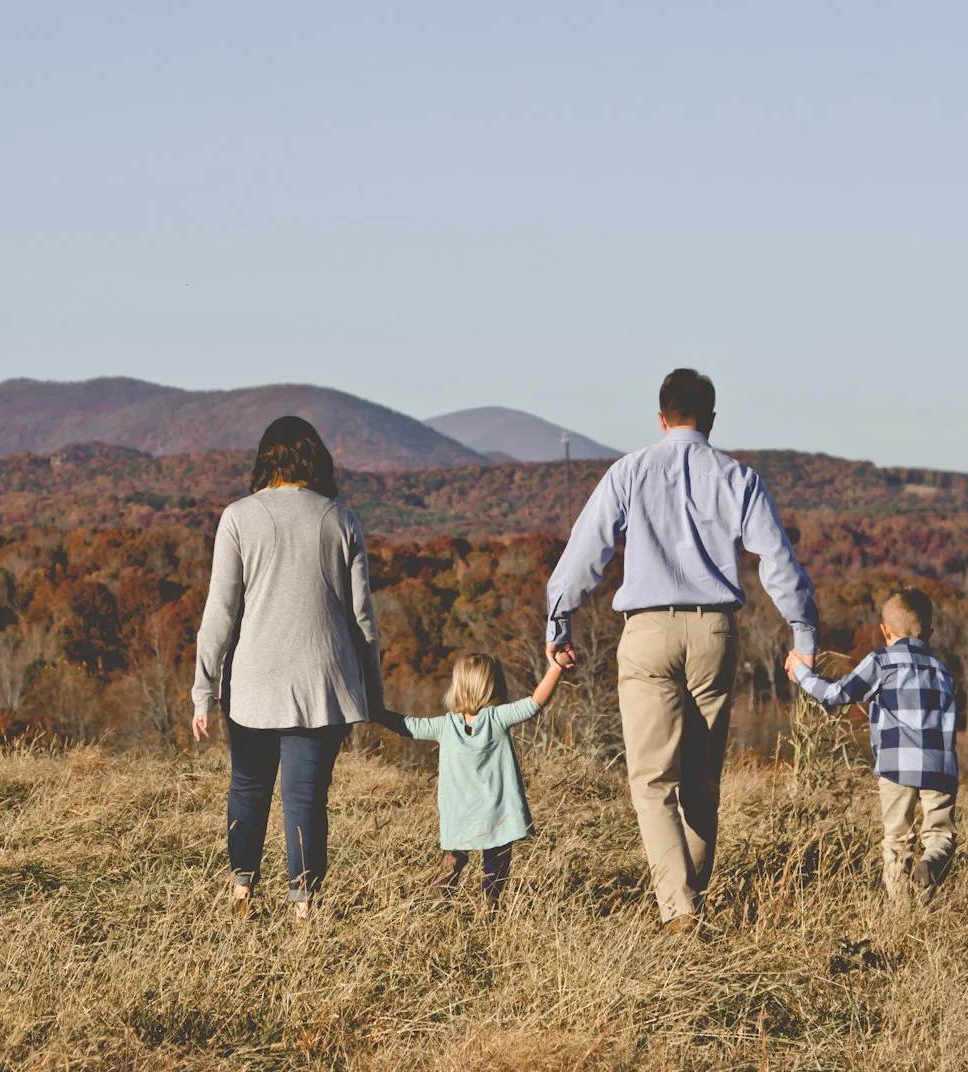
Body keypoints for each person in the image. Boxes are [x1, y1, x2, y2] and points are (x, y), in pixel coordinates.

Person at [545, 368, 818, 932]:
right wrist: (803, 634)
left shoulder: (629, 472)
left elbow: (584, 552)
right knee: (700, 780)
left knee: (651, 781)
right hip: (715, 633)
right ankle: (687, 900)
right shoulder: (739, 477)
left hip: (646, 634)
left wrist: (559, 619)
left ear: (661, 417)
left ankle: (679, 909)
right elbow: (778, 562)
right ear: (711, 420)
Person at [191, 416, 382, 919]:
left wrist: (203, 691)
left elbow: (220, 613)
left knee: (248, 788)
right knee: (305, 800)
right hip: (323, 685)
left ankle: (241, 894)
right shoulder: (340, 519)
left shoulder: (237, 517)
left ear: (265, 460)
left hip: (251, 685)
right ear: (315, 458)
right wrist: (372, 691)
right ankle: (303, 908)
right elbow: (363, 619)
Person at [783, 588, 957, 905]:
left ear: (884, 630)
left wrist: (802, 675)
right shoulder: (942, 670)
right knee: (942, 835)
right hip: (940, 766)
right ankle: (931, 864)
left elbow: (836, 695)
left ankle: (902, 912)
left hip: (896, 765)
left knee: (897, 839)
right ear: (929, 632)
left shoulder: (881, 661)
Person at [377, 652, 566, 905]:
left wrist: (375, 712)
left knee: (455, 852)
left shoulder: (445, 726)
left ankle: (442, 892)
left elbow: (407, 725)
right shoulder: (498, 719)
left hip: (459, 813)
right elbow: (535, 703)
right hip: (497, 814)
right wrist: (556, 667)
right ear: (494, 686)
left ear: (458, 686)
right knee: (497, 859)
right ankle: (490, 904)